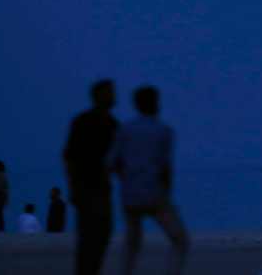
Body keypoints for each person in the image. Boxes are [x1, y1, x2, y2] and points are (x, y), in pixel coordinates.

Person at [108, 85, 190, 275]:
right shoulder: (163, 131)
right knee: (179, 239)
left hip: (130, 193)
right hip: (154, 192)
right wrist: (166, 192)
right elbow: (166, 168)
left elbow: (111, 162)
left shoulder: (125, 130)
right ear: (155, 103)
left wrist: (126, 179)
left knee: (132, 243)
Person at [63, 79, 119, 275]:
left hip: (101, 187)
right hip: (87, 187)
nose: (114, 96)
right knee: (89, 236)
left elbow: (116, 159)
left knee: (102, 232)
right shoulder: (84, 121)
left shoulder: (112, 123)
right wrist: (73, 187)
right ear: (99, 96)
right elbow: (70, 157)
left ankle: (91, 270)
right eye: (110, 93)